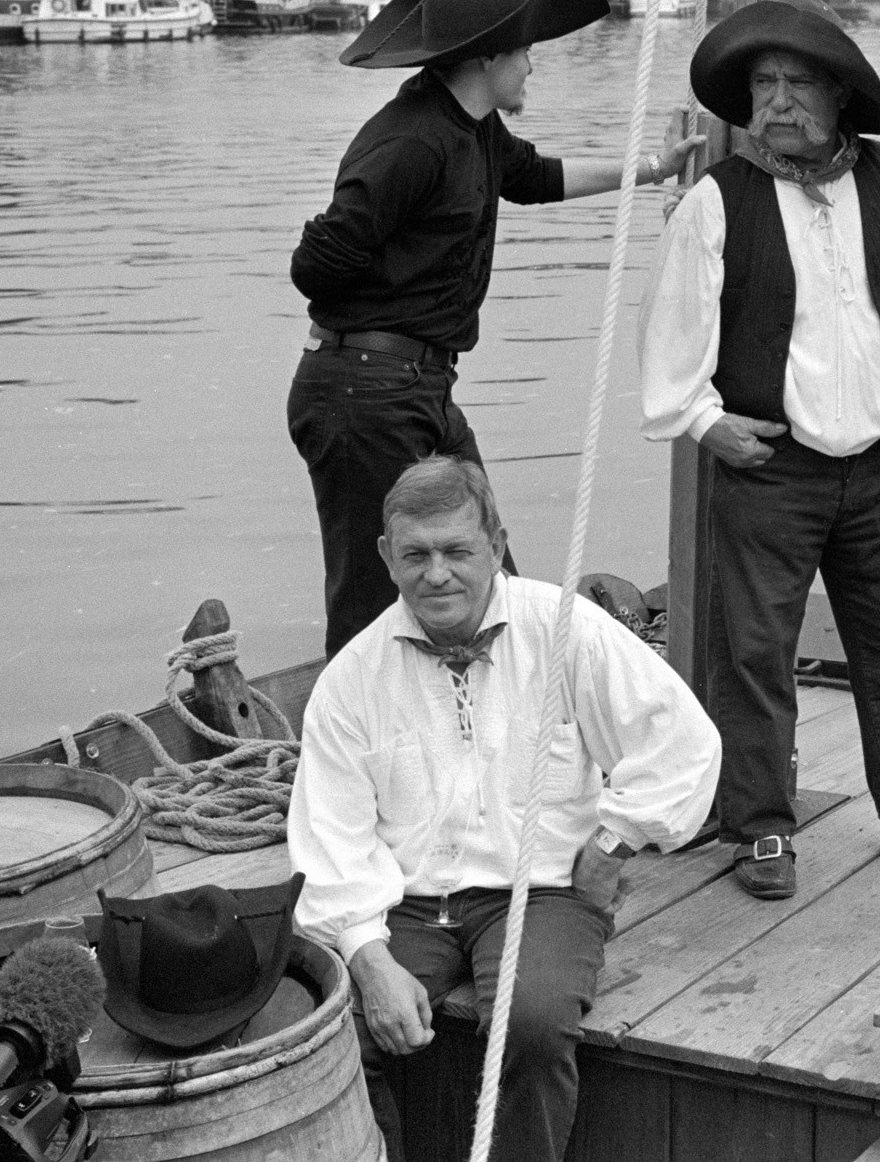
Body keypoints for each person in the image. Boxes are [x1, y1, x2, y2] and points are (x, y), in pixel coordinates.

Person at [637, 0, 880, 901]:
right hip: (772, 466)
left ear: (840, 96)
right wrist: (703, 421)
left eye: (800, 82)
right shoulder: (715, 203)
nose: (779, 102)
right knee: (754, 651)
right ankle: (761, 825)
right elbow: (672, 341)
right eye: (764, 84)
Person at [286, 455, 721, 1161]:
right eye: (416, 554)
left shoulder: (565, 628)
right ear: (384, 556)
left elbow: (682, 741)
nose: (437, 574)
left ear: (496, 541)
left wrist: (616, 839)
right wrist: (367, 958)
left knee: (533, 1022)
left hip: (543, 890)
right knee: (332, 1032)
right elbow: (331, 833)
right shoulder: (351, 679)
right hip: (406, 902)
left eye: (458, 550)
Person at [289, 0, 702, 656]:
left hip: (418, 385)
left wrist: (653, 169)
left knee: (482, 563)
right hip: (361, 391)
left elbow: (533, 178)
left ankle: (490, 730)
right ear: (485, 58)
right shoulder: (409, 142)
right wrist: (374, 306)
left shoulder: (472, 124)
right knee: (375, 597)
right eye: (524, 51)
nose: (532, 66)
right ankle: (353, 753)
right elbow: (314, 263)